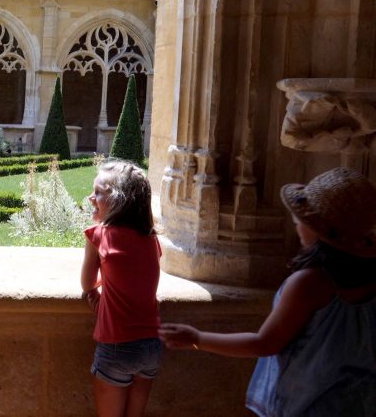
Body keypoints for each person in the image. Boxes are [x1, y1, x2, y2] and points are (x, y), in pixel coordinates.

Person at [158, 167, 376, 416]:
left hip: (309, 404)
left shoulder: (311, 284)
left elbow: (264, 343)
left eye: (303, 219)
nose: (296, 222)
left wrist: (197, 338)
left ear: (320, 231)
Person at [81, 159, 162, 417]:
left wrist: (96, 292)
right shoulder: (152, 240)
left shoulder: (99, 235)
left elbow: (86, 284)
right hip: (151, 347)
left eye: (98, 193)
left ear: (119, 200)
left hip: (117, 345)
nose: (90, 197)